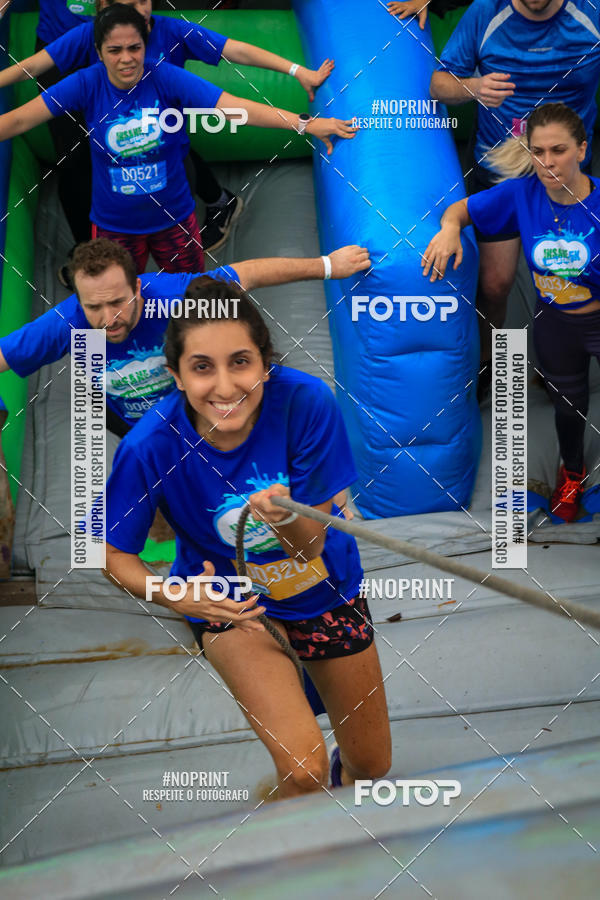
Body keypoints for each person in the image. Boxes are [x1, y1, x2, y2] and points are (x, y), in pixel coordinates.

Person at [102, 277, 391, 797]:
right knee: (302, 771)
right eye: (201, 368)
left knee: (372, 767)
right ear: (175, 375)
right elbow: (111, 551)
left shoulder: (306, 403)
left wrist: (282, 517)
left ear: (265, 362)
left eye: (241, 362)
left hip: (325, 592)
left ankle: (343, 783)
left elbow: (308, 548)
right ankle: (284, 851)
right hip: (231, 606)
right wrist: (173, 593)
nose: (226, 388)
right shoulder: (149, 445)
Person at [0, 5, 355, 274]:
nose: (126, 59)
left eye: (135, 48)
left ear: (145, 42)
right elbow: (17, 119)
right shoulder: (85, 84)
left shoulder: (165, 77)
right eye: (114, 50)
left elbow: (237, 108)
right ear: (97, 49)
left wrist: (305, 124)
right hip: (114, 228)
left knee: (191, 305)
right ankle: (109, 367)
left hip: (174, 221)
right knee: (113, 307)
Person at [0, 237, 370, 444]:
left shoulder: (174, 296)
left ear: (138, 288)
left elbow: (248, 274)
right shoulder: (69, 323)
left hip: (194, 410)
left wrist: (328, 266)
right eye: (94, 306)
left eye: (118, 302)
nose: (108, 317)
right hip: (131, 419)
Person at [421, 102, 599, 522]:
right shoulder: (522, 194)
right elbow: (460, 210)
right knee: (568, 407)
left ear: (582, 150)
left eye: (558, 150)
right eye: (539, 152)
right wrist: (449, 231)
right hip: (556, 326)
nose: (548, 161)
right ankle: (572, 474)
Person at [429, 0, 600, 396]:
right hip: (501, 166)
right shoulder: (485, 14)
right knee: (495, 283)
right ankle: (493, 361)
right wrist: (473, 87)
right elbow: (438, 84)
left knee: (572, 272)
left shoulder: (589, 14)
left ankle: (560, 362)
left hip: (568, 171)